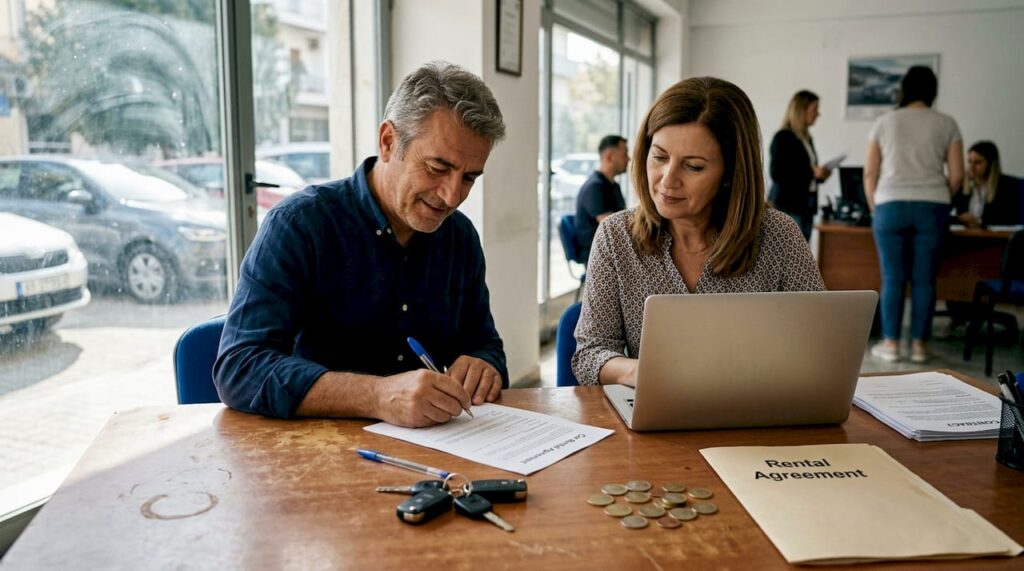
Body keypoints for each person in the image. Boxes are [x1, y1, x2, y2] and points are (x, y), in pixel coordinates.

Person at [214, 62, 509, 426]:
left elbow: (485, 344)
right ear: (388, 142)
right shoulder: (300, 225)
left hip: (434, 448)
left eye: (469, 178)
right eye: (437, 168)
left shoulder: (459, 237)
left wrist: (484, 366)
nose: (451, 197)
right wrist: (377, 396)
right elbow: (239, 367)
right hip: (316, 453)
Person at [571, 77, 825, 387]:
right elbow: (589, 355)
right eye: (660, 157)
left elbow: (817, 347)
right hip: (656, 419)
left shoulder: (778, 235)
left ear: (731, 173)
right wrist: (636, 371)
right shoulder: (616, 236)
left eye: (693, 166)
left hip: (755, 413)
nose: (667, 180)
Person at [864, 65, 963, 364]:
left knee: (892, 278)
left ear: (904, 89)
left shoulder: (884, 122)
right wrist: (939, 196)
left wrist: (875, 205)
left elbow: (870, 172)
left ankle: (891, 344)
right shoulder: (947, 123)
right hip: (932, 206)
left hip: (889, 204)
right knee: (924, 280)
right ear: (933, 90)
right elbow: (957, 176)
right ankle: (919, 346)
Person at [768, 90, 833, 240]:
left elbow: (806, 173)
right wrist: (812, 173)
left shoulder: (807, 139)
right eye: (815, 109)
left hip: (806, 206)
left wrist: (820, 176)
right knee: (788, 257)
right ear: (801, 110)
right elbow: (777, 173)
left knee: (800, 258)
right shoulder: (783, 137)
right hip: (788, 208)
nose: (818, 114)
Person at [574, 135, 629, 264]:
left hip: (611, 248)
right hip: (595, 252)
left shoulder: (613, 186)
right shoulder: (595, 187)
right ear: (609, 156)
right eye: (624, 154)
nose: (628, 159)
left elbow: (623, 220)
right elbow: (611, 226)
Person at [952, 141, 1020, 228]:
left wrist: (980, 221)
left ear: (990, 164)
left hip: (994, 238)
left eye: (977, 162)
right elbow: (945, 214)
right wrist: (961, 219)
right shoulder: (961, 185)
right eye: (969, 162)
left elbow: (1010, 219)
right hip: (965, 236)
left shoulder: (1007, 186)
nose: (971, 167)